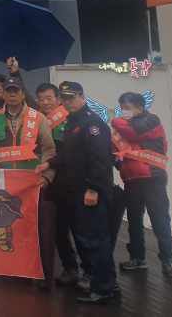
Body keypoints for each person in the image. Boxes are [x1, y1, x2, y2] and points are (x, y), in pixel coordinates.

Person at [36, 81, 119, 305]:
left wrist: (93, 188)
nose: (68, 102)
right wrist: (49, 163)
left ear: (82, 96)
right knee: (89, 238)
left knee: (96, 240)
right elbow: (68, 155)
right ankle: (104, 282)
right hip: (77, 191)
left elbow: (100, 159)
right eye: (65, 98)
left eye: (72, 97)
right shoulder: (74, 121)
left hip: (90, 191)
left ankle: (104, 288)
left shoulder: (92, 123)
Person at [0, 75, 57, 289]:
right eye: (8, 91)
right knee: (10, 228)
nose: (12, 95)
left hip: (33, 184)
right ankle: (13, 272)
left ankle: (42, 276)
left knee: (38, 231)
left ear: (23, 94)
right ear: (3, 94)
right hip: (5, 185)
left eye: (16, 91)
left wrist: (47, 176)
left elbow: (49, 149)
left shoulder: (37, 118)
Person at [112, 91, 172, 280]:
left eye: (127, 108)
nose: (124, 112)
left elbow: (133, 133)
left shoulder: (151, 120)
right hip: (132, 180)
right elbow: (115, 151)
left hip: (153, 178)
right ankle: (137, 258)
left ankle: (168, 261)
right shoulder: (123, 126)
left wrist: (115, 121)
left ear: (140, 107)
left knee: (160, 221)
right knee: (134, 221)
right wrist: (120, 164)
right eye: (122, 108)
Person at [35, 83, 83, 289]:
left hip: (70, 182)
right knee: (58, 229)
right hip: (51, 182)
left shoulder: (68, 119)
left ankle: (89, 271)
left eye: (49, 98)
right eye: (41, 99)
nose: (45, 102)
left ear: (58, 99)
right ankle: (70, 268)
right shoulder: (38, 120)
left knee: (79, 229)